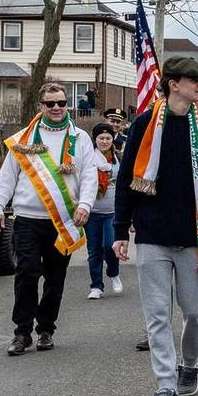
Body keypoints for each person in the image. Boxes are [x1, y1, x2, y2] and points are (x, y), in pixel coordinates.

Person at [112, 56, 198, 396]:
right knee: (158, 314)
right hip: (152, 234)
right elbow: (127, 178)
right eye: (194, 79)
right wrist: (121, 229)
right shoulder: (145, 124)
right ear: (173, 83)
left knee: (195, 312)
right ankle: (164, 385)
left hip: (196, 236)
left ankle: (190, 365)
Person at [0, 83, 96, 356]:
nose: (57, 108)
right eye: (51, 104)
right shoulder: (25, 139)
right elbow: (7, 177)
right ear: (42, 106)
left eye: (61, 102)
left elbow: (89, 176)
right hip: (27, 218)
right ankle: (22, 333)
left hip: (62, 220)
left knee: (55, 277)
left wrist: (85, 204)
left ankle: (46, 328)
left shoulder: (80, 138)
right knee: (26, 273)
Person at [86, 123, 122, 300]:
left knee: (109, 245)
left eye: (108, 138)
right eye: (101, 138)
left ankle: (114, 272)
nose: (104, 141)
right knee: (94, 250)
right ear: (95, 139)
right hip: (92, 212)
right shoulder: (88, 158)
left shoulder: (117, 159)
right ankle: (96, 286)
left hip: (112, 211)